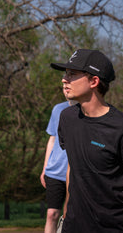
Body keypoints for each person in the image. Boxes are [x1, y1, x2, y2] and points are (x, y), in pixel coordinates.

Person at [50, 49, 123, 233]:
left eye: (72, 74)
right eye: (65, 73)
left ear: (94, 81)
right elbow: (72, 167)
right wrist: (66, 215)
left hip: (112, 227)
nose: (64, 79)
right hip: (73, 225)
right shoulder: (66, 118)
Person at [40, 88, 76, 233]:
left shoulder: (87, 111)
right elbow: (52, 139)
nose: (65, 86)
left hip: (75, 174)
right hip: (55, 172)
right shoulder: (58, 109)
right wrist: (44, 169)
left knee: (70, 217)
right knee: (51, 214)